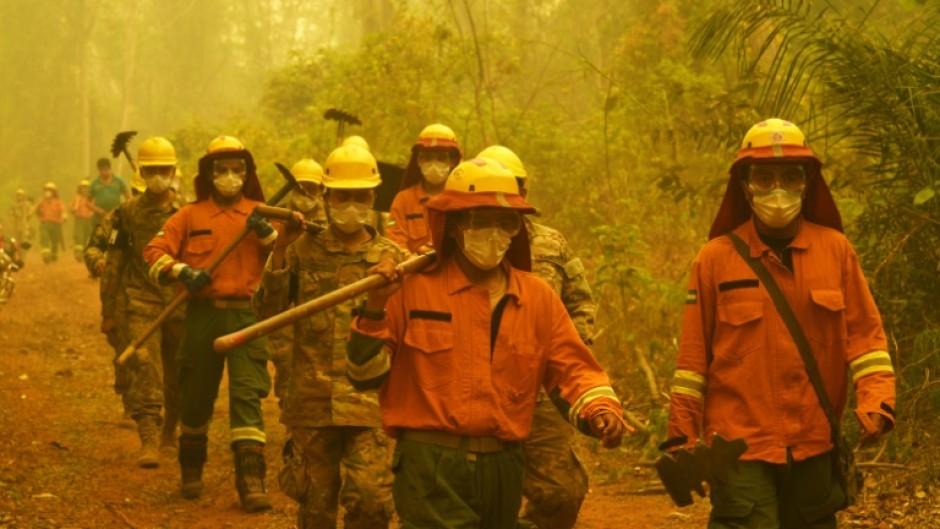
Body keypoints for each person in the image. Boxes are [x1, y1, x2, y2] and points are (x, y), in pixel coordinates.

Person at [346, 157, 626, 528]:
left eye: (505, 221)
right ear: (454, 224)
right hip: (431, 465)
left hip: (504, 464)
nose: (494, 233)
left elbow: (573, 368)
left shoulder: (537, 297)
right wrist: (377, 305)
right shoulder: (410, 288)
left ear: (517, 228)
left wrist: (600, 409)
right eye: (480, 220)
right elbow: (363, 376)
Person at [666, 118, 897, 529]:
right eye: (764, 177)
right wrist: (681, 436)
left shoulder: (836, 252)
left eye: (789, 176)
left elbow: (866, 340)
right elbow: (692, 361)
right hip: (738, 447)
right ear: (744, 184)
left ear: (806, 182)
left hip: (814, 440)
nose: (777, 190)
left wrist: (877, 402)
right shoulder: (714, 259)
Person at [254, 144, 401, 529]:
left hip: (370, 405)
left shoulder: (393, 259)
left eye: (360, 196)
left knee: (370, 503)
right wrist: (281, 248)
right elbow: (266, 311)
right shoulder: (302, 250)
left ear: (373, 199)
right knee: (315, 508)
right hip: (312, 403)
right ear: (327, 197)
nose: (351, 204)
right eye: (342, 196)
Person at [144, 135, 277, 512]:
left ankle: (251, 480)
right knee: (196, 395)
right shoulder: (189, 215)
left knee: (248, 395)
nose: (230, 176)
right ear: (210, 173)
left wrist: (268, 234)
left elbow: (289, 254)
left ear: (247, 173)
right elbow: (153, 252)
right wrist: (183, 270)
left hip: (248, 316)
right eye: (222, 170)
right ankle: (191, 471)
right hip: (202, 316)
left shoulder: (262, 212)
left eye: (238, 170)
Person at [478, 145, 597, 529]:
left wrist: (566, 362)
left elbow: (580, 303)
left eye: (517, 187)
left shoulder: (552, 244)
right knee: (483, 496)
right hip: (479, 394)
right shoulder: (462, 243)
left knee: (562, 491)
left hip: (543, 394)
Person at [102, 137, 185, 468]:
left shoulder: (186, 213)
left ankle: (169, 433)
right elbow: (114, 263)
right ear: (142, 172)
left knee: (177, 373)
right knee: (145, 368)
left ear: (173, 171)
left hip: (179, 304)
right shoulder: (126, 213)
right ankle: (148, 437)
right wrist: (108, 310)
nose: (157, 176)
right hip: (140, 301)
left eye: (163, 170)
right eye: (151, 170)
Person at [267, 158, 328, 407]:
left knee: (319, 369)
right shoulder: (277, 216)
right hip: (285, 306)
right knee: (285, 364)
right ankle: (290, 423)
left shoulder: (333, 223)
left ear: (321, 190)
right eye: (300, 187)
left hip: (320, 306)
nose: (305, 194)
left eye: (310, 188)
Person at [84, 211, 134, 426]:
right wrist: (98, 262)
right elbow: (93, 246)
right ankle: (132, 407)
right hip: (122, 296)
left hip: (165, 298)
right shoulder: (117, 217)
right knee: (125, 349)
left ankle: (158, 408)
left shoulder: (178, 214)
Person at [385, 124, 461, 253]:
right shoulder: (403, 200)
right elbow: (394, 241)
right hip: (411, 270)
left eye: (441, 158)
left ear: (452, 161)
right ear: (419, 160)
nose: (434, 164)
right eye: (428, 157)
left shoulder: (461, 201)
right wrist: (412, 259)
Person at [88, 157, 130, 226]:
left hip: (116, 216)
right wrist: (98, 210)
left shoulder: (118, 181)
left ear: (110, 168)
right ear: (98, 170)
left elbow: (128, 197)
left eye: (106, 169)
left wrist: (123, 209)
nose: (104, 172)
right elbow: (87, 202)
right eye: (102, 170)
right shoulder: (94, 184)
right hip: (99, 217)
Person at [36, 182, 67, 264]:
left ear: (54, 192)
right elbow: (36, 210)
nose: (48, 192)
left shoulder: (58, 202)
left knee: (55, 241)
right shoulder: (41, 201)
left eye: (50, 190)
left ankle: (54, 254)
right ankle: (46, 255)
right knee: (44, 238)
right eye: (46, 190)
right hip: (44, 224)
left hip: (55, 224)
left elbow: (63, 211)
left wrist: (64, 217)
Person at [70, 180, 95, 261]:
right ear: (80, 189)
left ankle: (86, 255)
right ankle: (78, 254)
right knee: (79, 236)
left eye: (86, 187)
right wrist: (74, 211)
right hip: (79, 220)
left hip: (89, 221)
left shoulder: (92, 199)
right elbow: (71, 208)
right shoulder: (77, 198)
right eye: (83, 187)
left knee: (88, 238)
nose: (84, 189)